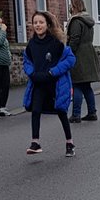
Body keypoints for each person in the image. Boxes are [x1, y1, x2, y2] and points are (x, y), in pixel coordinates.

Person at [23, 11, 76, 156]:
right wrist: (31, 73)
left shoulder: (56, 43)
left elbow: (70, 59)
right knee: (35, 110)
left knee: (61, 112)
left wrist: (53, 72)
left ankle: (69, 143)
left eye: (41, 22)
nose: (38, 25)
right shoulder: (31, 44)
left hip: (55, 84)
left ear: (47, 24)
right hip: (38, 82)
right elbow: (27, 61)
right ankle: (35, 143)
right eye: (35, 23)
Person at [67, 0, 100, 123]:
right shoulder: (88, 20)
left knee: (77, 84)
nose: (70, 8)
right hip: (89, 54)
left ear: (75, 7)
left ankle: (76, 114)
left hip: (79, 56)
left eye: (71, 6)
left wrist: (68, 53)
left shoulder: (76, 21)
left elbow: (74, 39)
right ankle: (92, 112)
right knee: (86, 86)